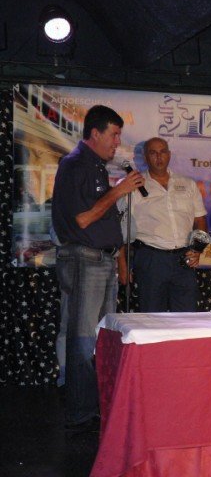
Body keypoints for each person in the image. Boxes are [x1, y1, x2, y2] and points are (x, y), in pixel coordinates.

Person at [52, 105, 144, 431]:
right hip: (84, 259)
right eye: (114, 135)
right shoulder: (75, 164)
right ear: (95, 133)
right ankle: (80, 413)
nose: (117, 142)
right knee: (82, 337)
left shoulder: (95, 167)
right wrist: (118, 191)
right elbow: (82, 219)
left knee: (102, 337)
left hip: (102, 260)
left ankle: (97, 406)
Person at [117, 137, 208, 312]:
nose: (159, 157)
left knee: (186, 317)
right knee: (152, 316)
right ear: (145, 157)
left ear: (169, 155)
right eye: (153, 153)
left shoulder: (188, 184)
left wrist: (198, 249)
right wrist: (122, 264)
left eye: (163, 152)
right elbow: (120, 225)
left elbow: (200, 220)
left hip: (184, 259)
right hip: (151, 258)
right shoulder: (134, 185)